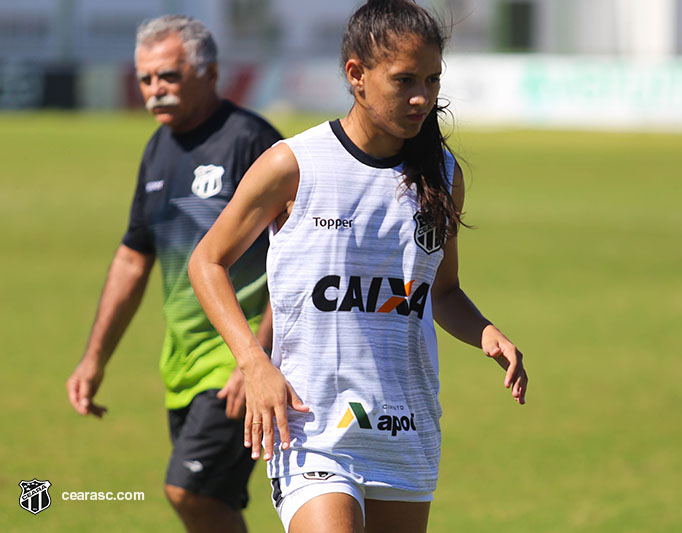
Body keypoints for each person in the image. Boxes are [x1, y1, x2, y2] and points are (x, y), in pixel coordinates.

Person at [188, 1, 528, 532]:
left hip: (406, 425)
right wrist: (255, 363)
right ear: (356, 75)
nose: (423, 98)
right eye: (405, 80)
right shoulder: (293, 165)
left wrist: (486, 332)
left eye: (433, 80)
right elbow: (207, 261)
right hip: (313, 427)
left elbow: (442, 292)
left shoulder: (442, 174)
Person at [66, 14, 282, 533]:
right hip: (181, 368)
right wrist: (95, 359)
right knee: (207, 503)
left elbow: (298, 258)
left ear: (209, 73)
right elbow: (132, 256)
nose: (154, 91)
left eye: (168, 76)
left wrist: (256, 357)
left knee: (188, 490)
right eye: (145, 79)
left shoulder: (253, 143)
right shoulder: (158, 149)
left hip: (237, 362)